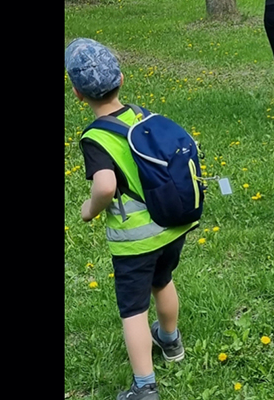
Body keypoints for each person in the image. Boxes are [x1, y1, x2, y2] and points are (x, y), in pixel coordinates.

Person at [67, 39, 198, 400]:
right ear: (122, 78)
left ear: (77, 93)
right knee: (163, 280)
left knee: (133, 309)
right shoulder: (140, 115)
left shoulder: (95, 138)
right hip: (171, 225)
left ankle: (145, 387)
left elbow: (106, 186)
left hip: (134, 240)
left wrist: (89, 209)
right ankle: (171, 341)